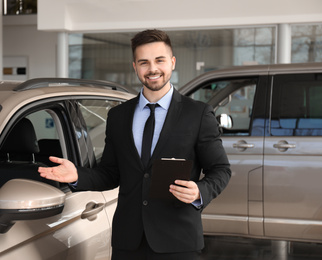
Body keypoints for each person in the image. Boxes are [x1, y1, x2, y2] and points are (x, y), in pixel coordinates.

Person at [38, 29, 231, 260]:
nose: (152, 69)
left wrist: (201, 191)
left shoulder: (198, 114)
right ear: (135, 66)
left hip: (178, 241)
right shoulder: (118, 116)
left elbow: (221, 170)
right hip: (128, 242)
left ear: (172, 62)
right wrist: (77, 176)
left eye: (159, 60)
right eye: (144, 62)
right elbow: (110, 174)